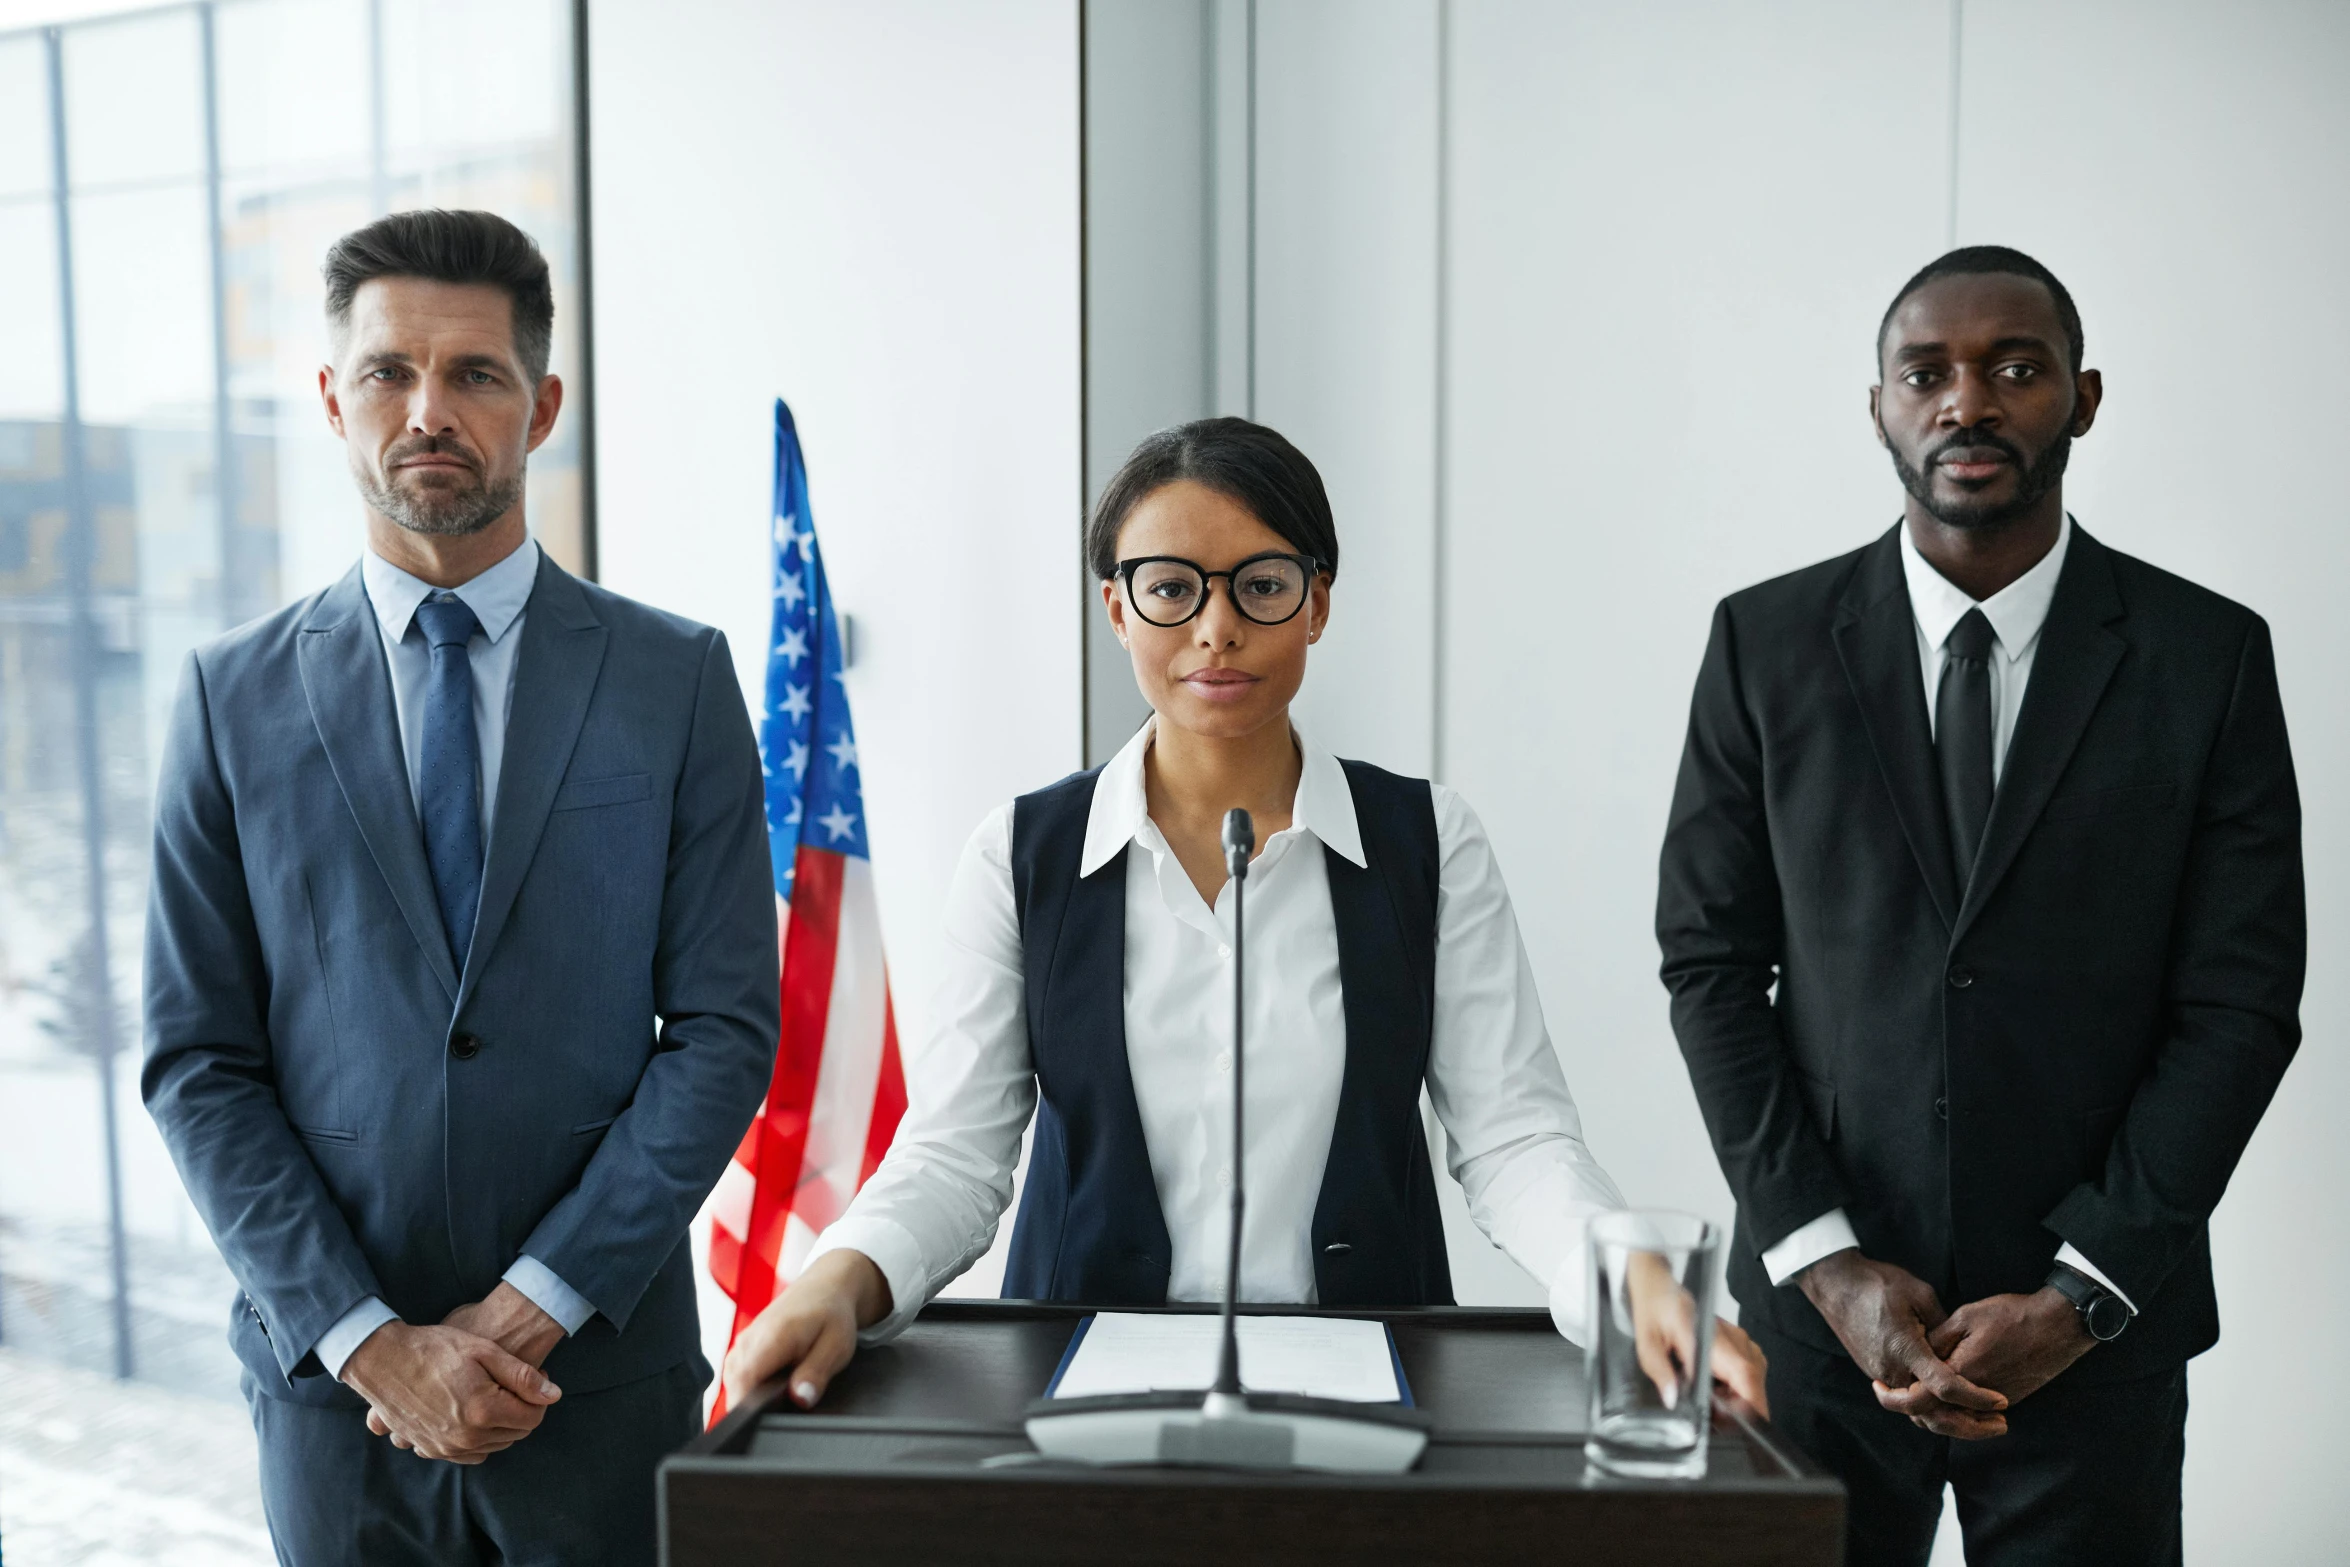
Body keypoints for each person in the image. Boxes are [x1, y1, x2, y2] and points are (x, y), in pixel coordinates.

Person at [722, 416, 1768, 1414]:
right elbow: (954, 1151)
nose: (1215, 626)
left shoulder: (1426, 841)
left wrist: (1627, 1274)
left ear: (1317, 604)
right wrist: (835, 1280)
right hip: (1078, 1387)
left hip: (1372, 1382)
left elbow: (1513, 1138)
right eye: (1170, 587)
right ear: (1117, 609)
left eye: (1261, 585)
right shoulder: (1022, 852)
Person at [141, 210, 779, 1565]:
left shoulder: (675, 680)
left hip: (596, 1384)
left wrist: (531, 1306)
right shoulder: (225, 697)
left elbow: (723, 1030)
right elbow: (198, 1060)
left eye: (476, 373)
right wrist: (369, 1339)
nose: (429, 409)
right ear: (331, 396)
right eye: (388, 372)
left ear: (540, 403)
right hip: (333, 1403)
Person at [1657, 246, 2304, 1565]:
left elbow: (2238, 1001)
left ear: (2084, 396)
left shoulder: (2204, 656)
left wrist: (2086, 1288)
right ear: (1880, 404)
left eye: (2016, 367)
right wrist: (1827, 1264)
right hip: (1822, 1336)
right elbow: (1708, 967)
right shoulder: (1762, 644)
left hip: (2094, 1345)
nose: (1969, 402)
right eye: (1927, 372)